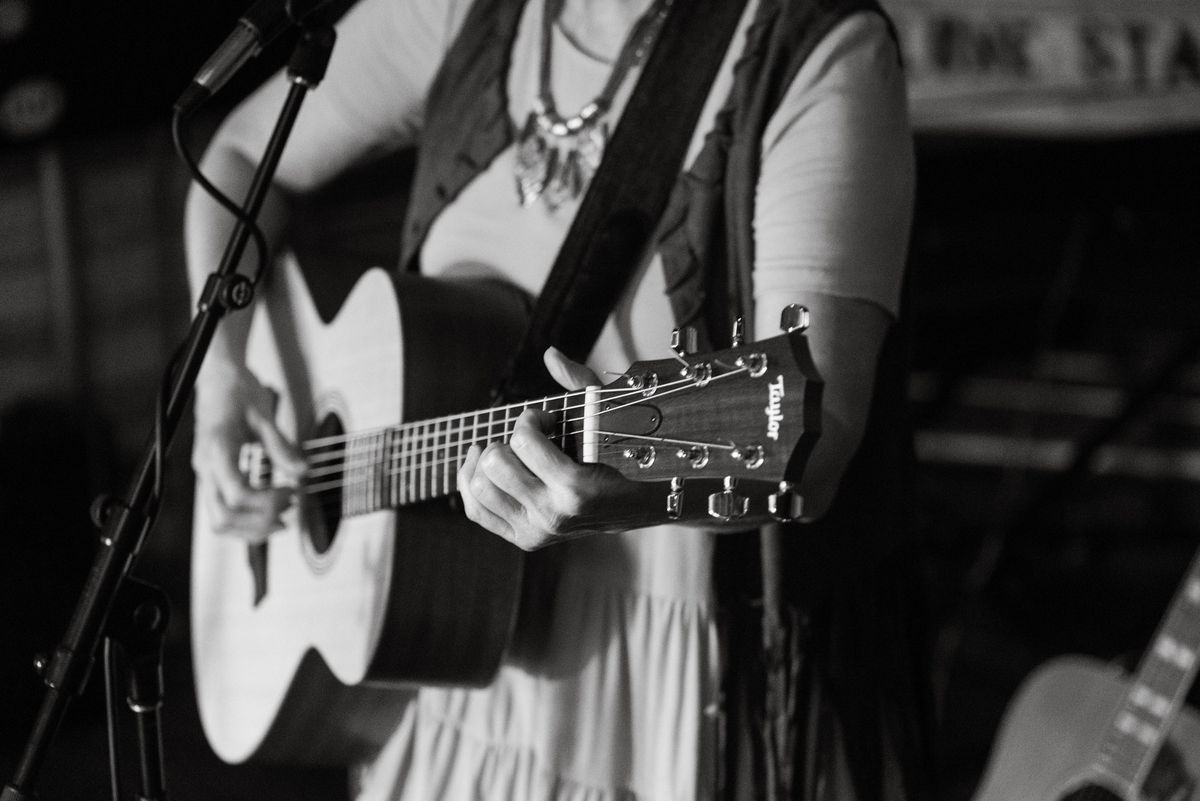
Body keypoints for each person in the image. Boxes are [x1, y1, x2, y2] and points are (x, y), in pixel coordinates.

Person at [184, 0, 926, 797]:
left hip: (660, 683)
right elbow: (233, 162)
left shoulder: (814, 51)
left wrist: (633, 484)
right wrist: (223, 380)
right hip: (450, 664)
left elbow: (813, 431)